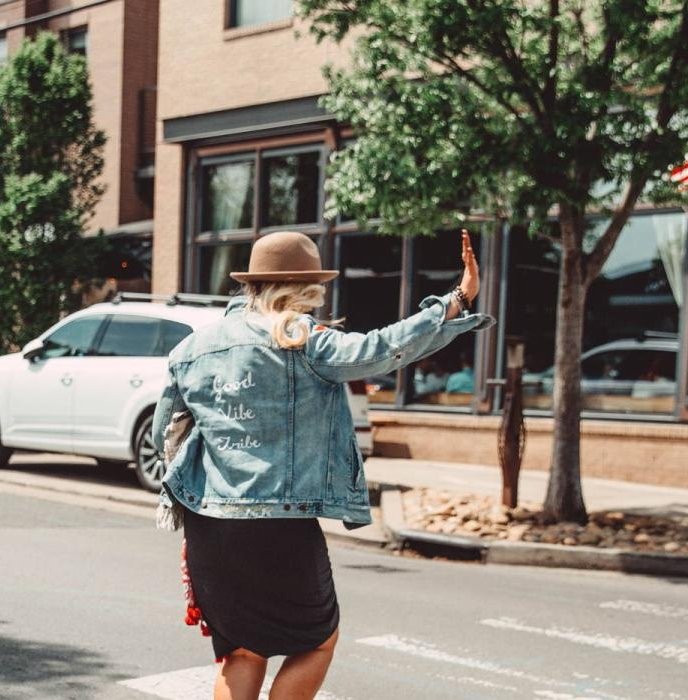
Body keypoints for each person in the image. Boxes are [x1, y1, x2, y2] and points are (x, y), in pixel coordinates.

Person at [156, 230, 490, 700]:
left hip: (209, 524)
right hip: (279, 528)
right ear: (302, 289)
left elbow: (164, 436)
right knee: (317, 640)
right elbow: (383, 348)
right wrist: (456, 299)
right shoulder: (303, 341)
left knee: (243, 652)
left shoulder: (193, 347)